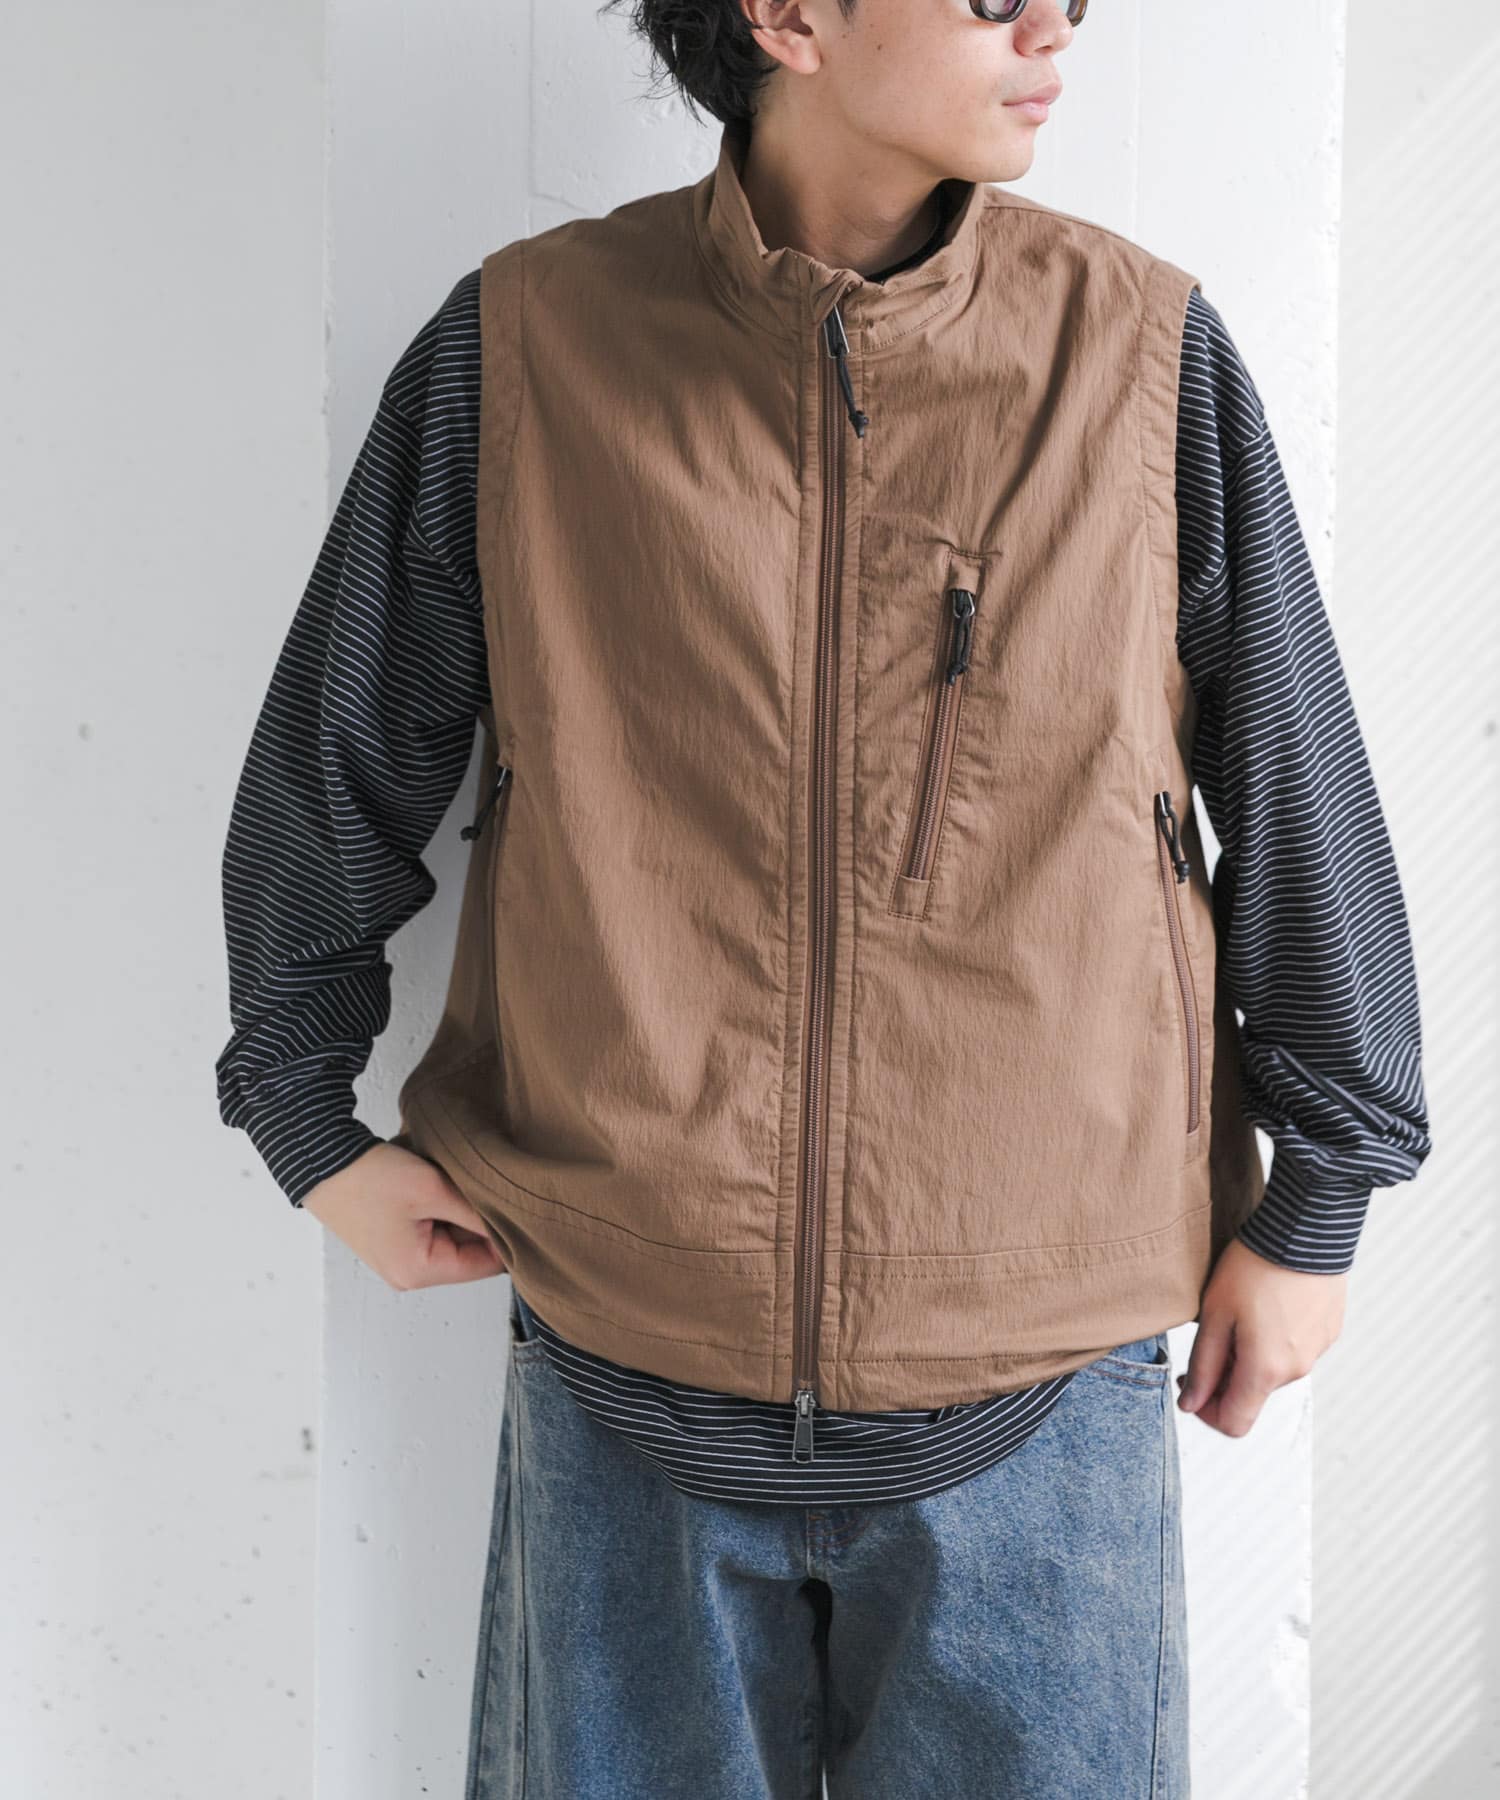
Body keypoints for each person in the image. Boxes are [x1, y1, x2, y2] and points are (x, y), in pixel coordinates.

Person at [215, 1, 1432, 1792]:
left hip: (1041, 1372)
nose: (1054, 23)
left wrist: (1321, 1201)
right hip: (626, 1355)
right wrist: (303, 1120)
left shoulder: (1136, 352)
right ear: (788, 16)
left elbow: (1295, 784)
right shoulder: (529, 347)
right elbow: (335, 760)